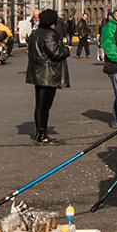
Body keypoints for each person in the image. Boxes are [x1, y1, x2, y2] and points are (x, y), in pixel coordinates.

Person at [25, 8, 70, 145]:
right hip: (48, 74)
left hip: (37, 73)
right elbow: (56, 53)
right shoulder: (49, 34)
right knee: (45, 105)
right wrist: (66, 50)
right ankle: (42, 134)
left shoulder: (35, 33)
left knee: (40, 104)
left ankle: (40, 132)